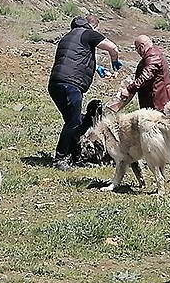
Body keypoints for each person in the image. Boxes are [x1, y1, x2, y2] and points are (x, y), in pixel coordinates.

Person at [48, 15, 121, 171]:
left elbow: (74, 60)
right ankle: (60, 159)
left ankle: (76, 156)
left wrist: (97, 68)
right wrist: (114, 60)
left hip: (55, 84)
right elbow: (112, 47)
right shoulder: (88, 32)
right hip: (70, 85)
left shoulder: (69, 36)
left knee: (75, 121)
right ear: (95, 26)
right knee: (73, 123)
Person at [118, 35, 170, 111]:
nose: (138, 52)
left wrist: (129, 89)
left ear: (141, 47)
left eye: (137, 49)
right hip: (159, 100)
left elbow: (145, 76)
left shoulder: (153, 57)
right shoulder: (153, 54)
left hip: (159, 103)